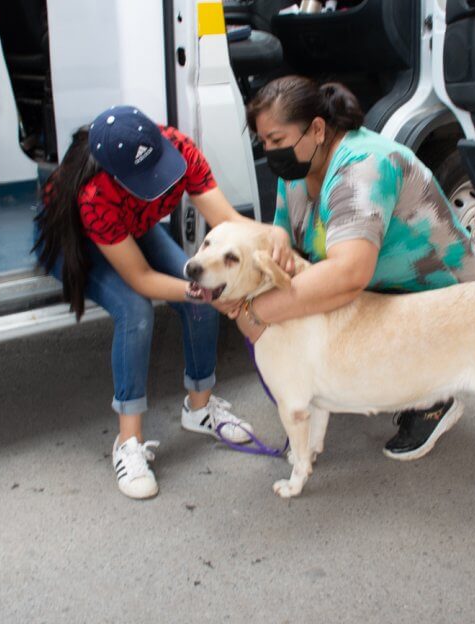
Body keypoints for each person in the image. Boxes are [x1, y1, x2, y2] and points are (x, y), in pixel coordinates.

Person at [33, 105, 293, 500]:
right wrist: (204, 292)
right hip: (76, 238)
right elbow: (141, 278)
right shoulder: (94, 195)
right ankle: (128, 443)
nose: (162, 182)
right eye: (147, 179)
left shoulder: (180, 150)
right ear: (117, 176)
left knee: (198, 300)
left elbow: (226, 220)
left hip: (130, 226)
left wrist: (276, 234)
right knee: (135, 310)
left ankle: (199, 408)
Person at [233, 76, 475, 461]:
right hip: (378, 286)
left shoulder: (362, 168)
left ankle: (435, 398)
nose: (270, 151)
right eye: (263, 142)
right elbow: (284, 228)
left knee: (291, 309)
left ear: (317, 129)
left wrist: (256, 311)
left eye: (277, 141)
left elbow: (349, 275)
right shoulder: (299, 166)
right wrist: (277, 239)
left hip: (434, 295)